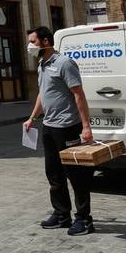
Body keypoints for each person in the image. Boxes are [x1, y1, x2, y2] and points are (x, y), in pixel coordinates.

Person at [23, 25, 95, 235]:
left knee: (76, 175)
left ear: (45, 41)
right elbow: (42, 94)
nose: (30, 46)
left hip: (67, 128)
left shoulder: (64, 63)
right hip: (49, 127)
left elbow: (78, 95)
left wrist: (86, 126)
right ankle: (62, 214)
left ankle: (84, 219)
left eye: (33, 42)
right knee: (53, 174)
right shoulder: (42, 65)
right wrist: (32, 117)